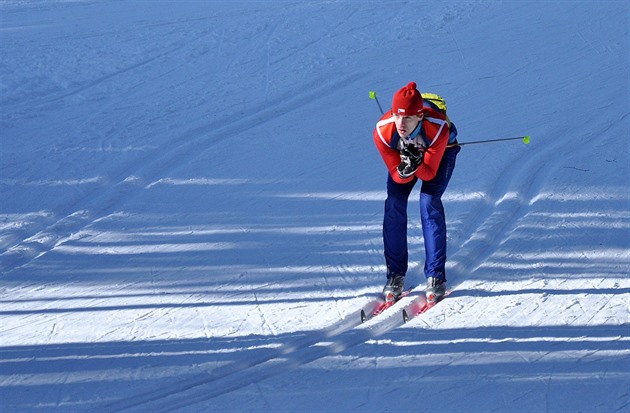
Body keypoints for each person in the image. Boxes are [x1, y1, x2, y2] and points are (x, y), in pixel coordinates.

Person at [372, 81, 460, 303]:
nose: (401, 123)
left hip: (441, 155)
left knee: (428, 202)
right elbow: (396, 175)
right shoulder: (383, 132)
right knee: (394, 203)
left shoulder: (437, 127)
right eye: (397, 116)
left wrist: (418, 164)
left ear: (420, 116)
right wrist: (406, 168)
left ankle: (435, 276)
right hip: (410, 159)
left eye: (408, 117)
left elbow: (429, 174)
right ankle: (395, 274)